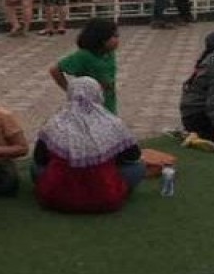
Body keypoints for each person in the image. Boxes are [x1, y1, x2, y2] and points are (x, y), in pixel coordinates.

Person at [32, 77, 144, 214]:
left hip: (55, 197)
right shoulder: (113, 123)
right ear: (98, 94)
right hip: (106, 198)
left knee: (36, 168)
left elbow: (39, 159)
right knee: (137, 167)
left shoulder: (55, 123)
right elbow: (133, 156)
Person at [50, 18, 119, 114]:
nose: (117, 40)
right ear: (102, 38)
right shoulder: (83, 56)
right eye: (114, 36)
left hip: (109, 104)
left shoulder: (110, 54)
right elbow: (55, 70)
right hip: (89, 107)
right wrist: (70, 90)